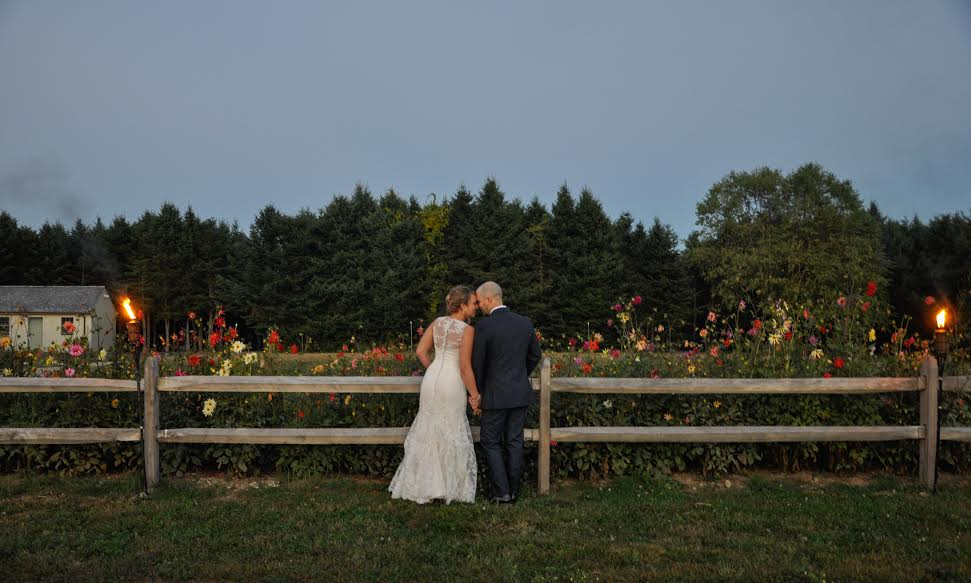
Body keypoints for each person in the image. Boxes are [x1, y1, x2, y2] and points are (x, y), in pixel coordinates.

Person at [388, 285, 481, 504]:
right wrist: (475, 396)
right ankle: (449, 487)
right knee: (451, 426)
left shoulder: (437, 323)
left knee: (428, 427)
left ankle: (424, 484)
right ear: (463, 305)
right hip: (452, 382)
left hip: (431, 380)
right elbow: (465, 368)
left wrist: (433, 367)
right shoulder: (467, 330)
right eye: (473, 303)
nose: (475, 307)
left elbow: (421, 350)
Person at [471, 281, 542, 503]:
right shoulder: (525, 323)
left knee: (490, 441)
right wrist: (521, 374)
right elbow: (535, 355)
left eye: (480, 301)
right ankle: (513, 491)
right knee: (514, 441)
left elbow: (478, 364)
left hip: (494, 395)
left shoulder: (484, 327)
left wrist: (478, 391)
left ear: (490, 299)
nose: (480, 306)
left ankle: (501, 492)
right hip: (519, 393)